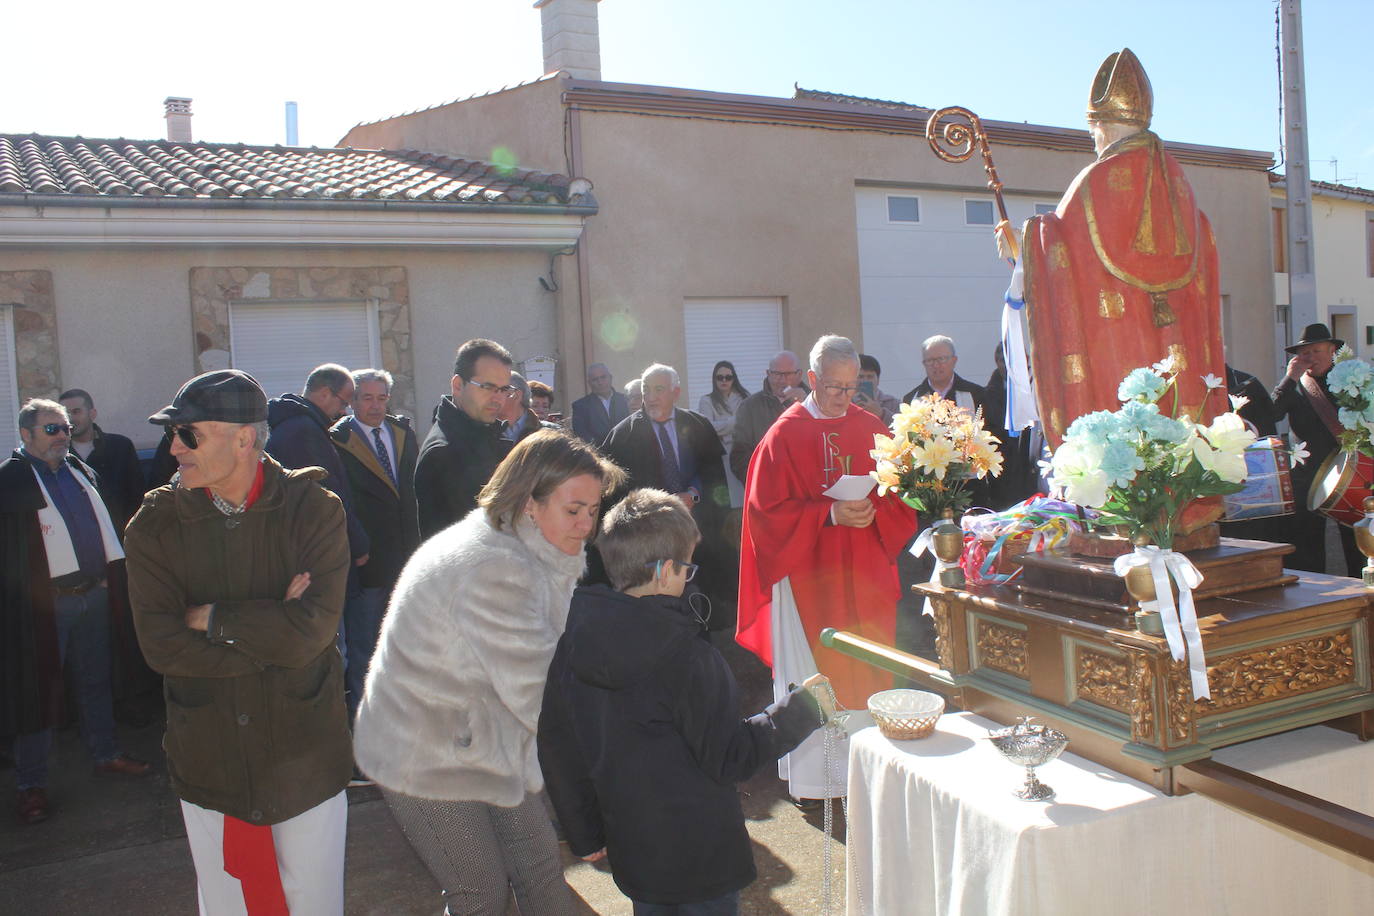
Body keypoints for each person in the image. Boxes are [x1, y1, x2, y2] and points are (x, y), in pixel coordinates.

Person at [354, 430, 624, 914]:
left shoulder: (535, 545)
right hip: (420, 745)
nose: (587, 525)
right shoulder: (493, 566)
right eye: (574, 510)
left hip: (484, 730)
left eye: (593, 509)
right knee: (479, 889)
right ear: (528, 503)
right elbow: (545, 701)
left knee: (539, 865)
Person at [124, 370, 352, 912]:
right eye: (171, 433)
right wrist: (276, 628)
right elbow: (162, 647)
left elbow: (315, 633)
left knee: (312, 901)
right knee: (227, 904)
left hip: (305, 753)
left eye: (189, 433)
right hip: (210, 758)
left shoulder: (314, 509)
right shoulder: (153, 526)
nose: (174, 446)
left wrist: (213, 618)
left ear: (244, 437)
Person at [538, 488, 824, 914]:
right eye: (687, 566)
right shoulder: (688, 656)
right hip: (701, 853)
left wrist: (583, 832)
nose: (690, 576)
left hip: (634, 848)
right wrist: (800, 710)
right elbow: (730, 756)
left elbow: (559, 744)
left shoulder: (574, 636)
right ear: (666, 570)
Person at [736, 335, 915, 803]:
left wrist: (878, 510)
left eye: (852, 387)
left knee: (870, 666)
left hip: (865, 575)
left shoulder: (872, 427)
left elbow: (900, 497)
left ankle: (873, 766)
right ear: (812, 379)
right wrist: (829, 514)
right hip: (808, 578)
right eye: (834, 387)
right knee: (820, 674)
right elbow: (763, 515)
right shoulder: (784, 433)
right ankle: (822, 781)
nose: (843, 397)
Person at [1021, 48, 1226, 447]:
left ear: (1101, 127)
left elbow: (1059, 249)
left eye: (1093, 132)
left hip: (1113, 355)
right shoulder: (1181, 187)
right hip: (1178, 360)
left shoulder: (1094, 181)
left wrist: (1026, 238)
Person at [2, 399, 149, 826]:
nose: (62, 435)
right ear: (26, 435)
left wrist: (106, 580)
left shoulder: (80, 472)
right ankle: (31, 784)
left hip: (94, 595)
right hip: (44, 607)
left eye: (64, 428)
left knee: (96, 679)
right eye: (50, 429)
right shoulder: (10, 480)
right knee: (39, 693)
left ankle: (105, 755)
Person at [601, 364, 731, 625]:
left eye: (659, 390)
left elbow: (713, 475)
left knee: (698, 601)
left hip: (696, 529)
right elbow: (616, 493)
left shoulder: (697, 425)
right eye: (646, 390)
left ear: (676, 392)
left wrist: (693, 495)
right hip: (651, 539)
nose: (650, 397)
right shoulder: (623, 435)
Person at [330, 368, 420, 724]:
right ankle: (366, 728)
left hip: (407, 558)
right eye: (367, 398)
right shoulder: (338, 439)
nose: (376, 406)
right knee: (364, 648)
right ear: (352, 401)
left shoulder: (402, 432)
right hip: (368, 562)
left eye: (381, 398)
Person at [1271, 323, 1361, 575]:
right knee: (1307, 546)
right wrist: (1290, 378)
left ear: (1332, 350)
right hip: (1307, 475)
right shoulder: (1295, 385)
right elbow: (1272, 414)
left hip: (1349, 472)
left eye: (1317, 351)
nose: (1311, 358)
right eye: (1306, 353)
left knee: (1357, 541)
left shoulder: (1350, 380)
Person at [265, 364, 370, 573]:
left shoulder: (293, 424)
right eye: (344, 402)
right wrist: (358, 544)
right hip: (315, 553)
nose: (343, 411)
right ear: (324, 393)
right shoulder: (304, 432)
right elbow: (327, 493)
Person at [414, 338, 518, 539]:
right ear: (458, 385)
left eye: (504, 390)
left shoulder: (485, 433)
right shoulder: (444, 452)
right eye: (488, 387)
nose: (498, 399)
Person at [59, 388, 147, 534]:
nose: (70, 419)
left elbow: (138, 497)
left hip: (122, 538)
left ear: (92, 414)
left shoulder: (120, 447)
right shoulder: (58, 455)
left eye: (76, 412)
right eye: (65, 414)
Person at [729, 350, 807, 484]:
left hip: (808, 487)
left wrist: (806, 405)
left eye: (788, 374)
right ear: (768, 374)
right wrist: (763, 483)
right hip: (769, 490)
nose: (782, 380)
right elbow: (739, 457)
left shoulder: (816, 403)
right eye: (777, 374)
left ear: (799, 375)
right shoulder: (750, 407)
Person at [697, 359, 750, 507]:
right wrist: (734, 422)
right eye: (720, 377)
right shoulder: (706, 401)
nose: (724, 381)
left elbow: (748, 425)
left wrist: (723, 428)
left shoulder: (745, 398)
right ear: (714, 379)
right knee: (727, 502)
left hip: (743, 453)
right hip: (721, 456)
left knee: (745, 498)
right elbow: (708, 428)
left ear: (734, 378)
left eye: (728, 377)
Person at [902, 334, 984, 414]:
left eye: (942, 359)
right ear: (924, 364)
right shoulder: (911, 400)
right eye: (930, 360)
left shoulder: (977, 395)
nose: (936, 365)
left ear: (954, 360)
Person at [572, 362, 630, 444]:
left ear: (610, 378)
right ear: (589, 383)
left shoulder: (625, 400)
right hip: (598, 454)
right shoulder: (580, 406)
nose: (600, 382)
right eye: (595, 379)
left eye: (603, 377)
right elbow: (582, 437)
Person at [501, 372, 559, 444]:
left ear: (516, 396)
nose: (540, 410)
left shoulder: (553, 434)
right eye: (535, 405)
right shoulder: (485, 432)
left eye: (500, 391)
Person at [854, 354, 900, 425]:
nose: (865, 380)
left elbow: (903, 431)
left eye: (870, 377)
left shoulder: (893, 404)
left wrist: (882, 414)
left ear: (878, 380)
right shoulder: (844, 403)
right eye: (860, 376)